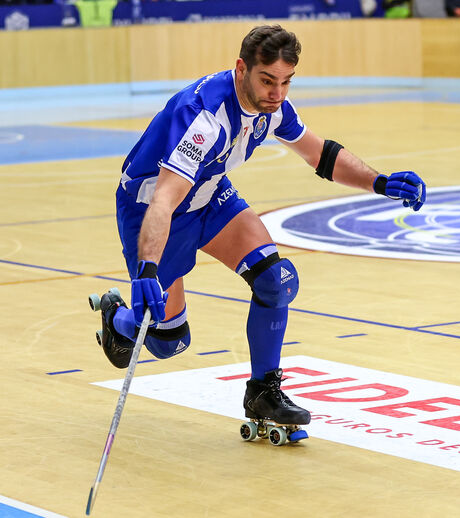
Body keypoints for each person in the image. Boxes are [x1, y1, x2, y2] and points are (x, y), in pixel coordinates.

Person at [94, 25, 426, 431]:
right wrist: (146, 269)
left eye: (286, 82)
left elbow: (319, 154)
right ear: (241, 69)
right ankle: (118, 321)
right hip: (154, 207)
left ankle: (263, 391)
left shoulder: (273, 109)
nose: (277, 93)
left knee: (276, 280)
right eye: (268, 80)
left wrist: (379, 182)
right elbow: (165, 197)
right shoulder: (204, 119)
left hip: (210, 194)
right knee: (169, 341)